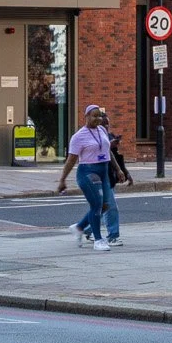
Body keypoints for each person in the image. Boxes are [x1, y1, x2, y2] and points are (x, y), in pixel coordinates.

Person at [55, 103, 122, 250]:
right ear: (86, 117)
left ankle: (79, 227)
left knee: (105, 205)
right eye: (94, 116)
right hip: (88, 172)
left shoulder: (102, 130)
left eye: (100, 116)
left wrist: (118, 169)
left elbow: (108, 151)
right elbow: (71, 160)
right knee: (97, 205)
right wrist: (62, 180)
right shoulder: (79, 137)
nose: (98, 119)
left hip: (104, 171)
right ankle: (98, 240)